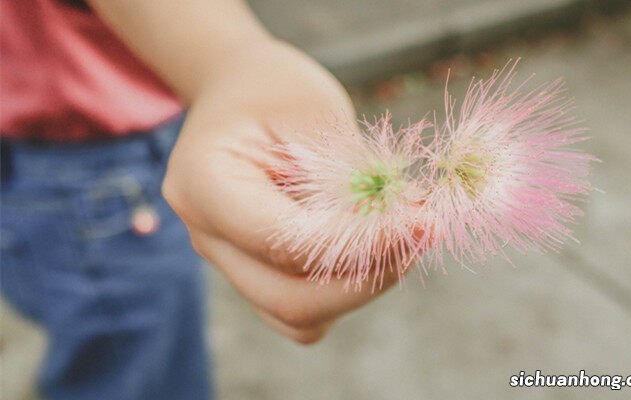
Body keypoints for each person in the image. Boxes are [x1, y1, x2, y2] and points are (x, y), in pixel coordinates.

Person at [1, 1, 412, 399]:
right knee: (137, 373)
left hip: (53, 150)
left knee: (93, 344)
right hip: (101, 167)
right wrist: (230, 58)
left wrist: (232, 61)